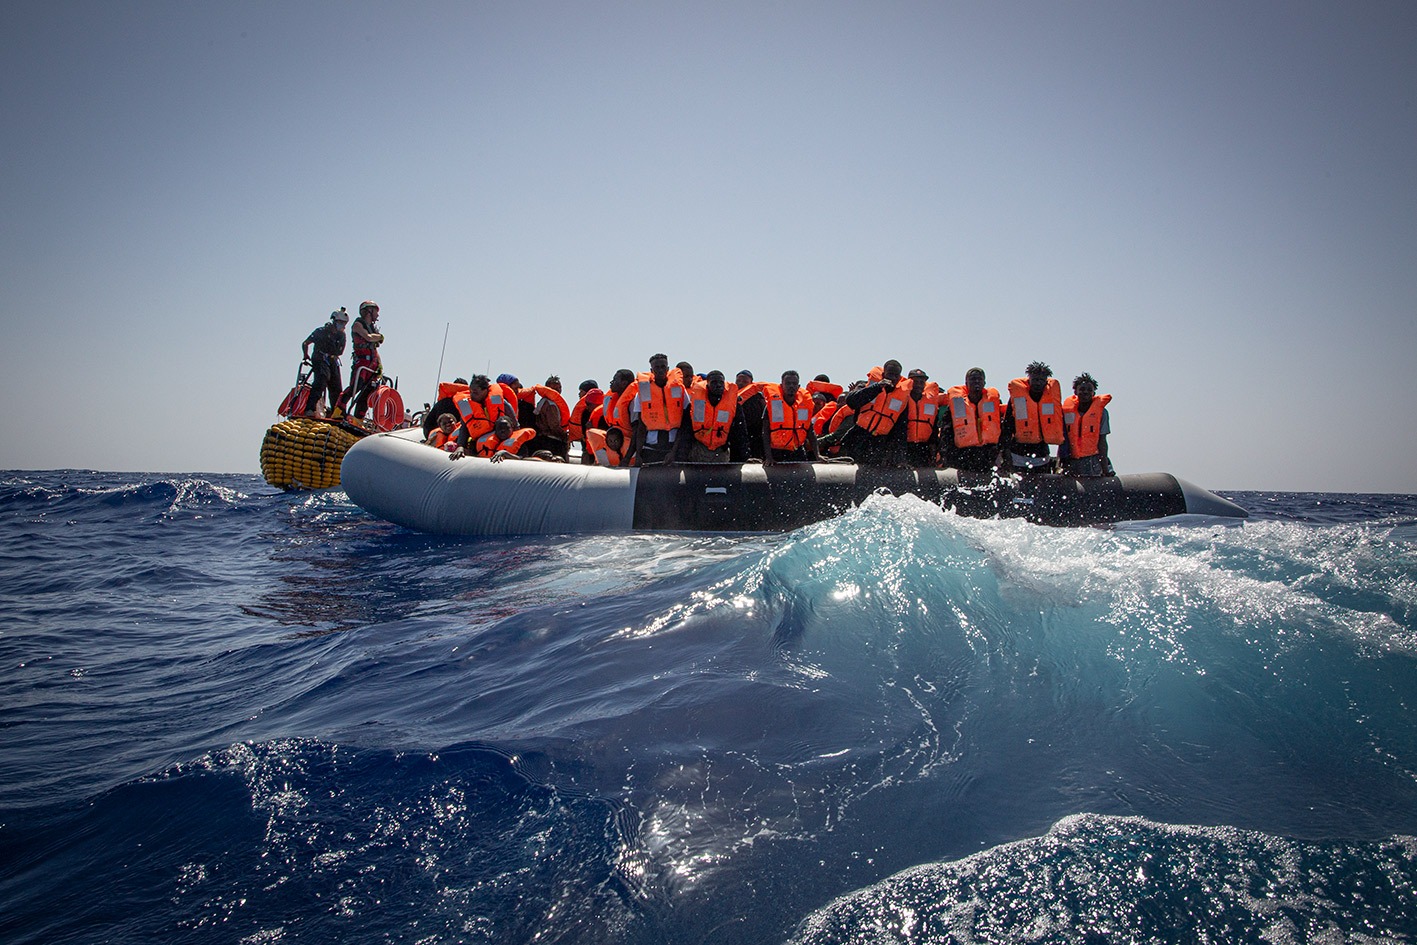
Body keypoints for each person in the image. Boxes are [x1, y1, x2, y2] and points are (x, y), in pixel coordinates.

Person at [840, 360, 910, 466]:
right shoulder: (866, 386)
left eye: (896, 375)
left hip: (880, 443)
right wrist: (877, 387)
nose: (893, 378)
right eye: (890, 374)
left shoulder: (902, 399)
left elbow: (901, 430)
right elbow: (851, 401)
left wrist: (901, 458)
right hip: (859, 437)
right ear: (883, 374)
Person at [1001, 360, 1064, 474]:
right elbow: (1007, 426)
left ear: (1046, 382)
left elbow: (1061, 428)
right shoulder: (1017, 399)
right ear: (1029, 380)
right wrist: (1005, 452)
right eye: (1035, 380)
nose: (1038, 383)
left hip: (1041, 454)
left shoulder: (1052, 401)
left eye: (1041, 380)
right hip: (1017, 454)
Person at [939, 368, 1004, 473]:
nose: (976, 382)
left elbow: (1001, 427)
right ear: (966, 383)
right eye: (973, 379)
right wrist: (946, 454)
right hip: (963, 454)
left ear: (984, 382)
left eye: (979, 379)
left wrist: (1002, 452)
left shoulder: (993, 402)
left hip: (988, 453)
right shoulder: (957, 404)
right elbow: (946, 431)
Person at [630, 353, 689, 465]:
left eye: (663, 367)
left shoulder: (679, 389)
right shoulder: (642, 393)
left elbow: (685, 423)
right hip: (651, 447)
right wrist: (638, 454)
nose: (660, 370)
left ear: (667, 369)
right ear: (651, 370)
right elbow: (641, 426)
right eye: (657, 367)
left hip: (673, 445)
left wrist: (674, 451)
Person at [677, 370, 749, 463]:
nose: (718, 385)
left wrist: (745, 457)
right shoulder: (695, 405)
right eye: (714, 382)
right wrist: (681, 456)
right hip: (699, 449)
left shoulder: (734, 406)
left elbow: (741, 432)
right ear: (707, 386)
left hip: (721, 451)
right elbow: (685, 430)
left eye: (721, 382)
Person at [761, 370, 822, 466]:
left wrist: (817, 455)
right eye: (788, 383)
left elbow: (810, 431)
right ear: (781, 386)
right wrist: (768, 457)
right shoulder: (774, 406)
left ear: (798, 387)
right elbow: (765, 432)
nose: (791, 386)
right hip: (776, 453)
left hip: (797, 451)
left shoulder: (803, 406)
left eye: (794, 384)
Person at [1060, 372, 1114, 477]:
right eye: (1082, 389)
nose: (1085, 392)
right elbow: (1062, 439)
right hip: (1071, 460)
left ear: (1094, 393)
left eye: (1089, 390)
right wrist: (1061, 462)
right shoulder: (1065, 411)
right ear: (1075, 391)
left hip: (1092, 461)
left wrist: (1105, 469)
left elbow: (1102, 442)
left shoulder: (1102, 413)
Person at [450, 374, 516, 454]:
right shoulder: (469, 406)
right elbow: (464, 428)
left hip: (500, 442)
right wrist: (460, 447)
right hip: (479, 445)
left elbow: (515, 425)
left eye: (475, 392)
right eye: (470, 392)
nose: (471, 395)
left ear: (485, 390)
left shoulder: (502, 403)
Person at [300, 308, 348, 417]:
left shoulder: (341, 336)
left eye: (344, 323)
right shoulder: (321, 332)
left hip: (332, 360)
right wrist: (306, 355)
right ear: (334, 321)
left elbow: (340, 352)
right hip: (320, 357)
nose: (342, 325)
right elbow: (306, 343)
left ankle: (337, 413)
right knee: (322, 379)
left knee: (336, 387)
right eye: (340, 323)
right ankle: (310, 408)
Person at [344, 300, 385, 419]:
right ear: (369, 311)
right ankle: (339, 410)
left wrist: (379, 366)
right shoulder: (357, 325)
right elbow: (368, 337)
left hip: (371, 364)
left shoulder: (372, 328)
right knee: (355, 387)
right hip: (361, 362)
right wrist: (380, 336)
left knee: (368, 391)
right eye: (376, 312)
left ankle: (359, 417)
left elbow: (374, 349)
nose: (377, 315)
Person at [902, 369, 941, 466]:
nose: (919, 385)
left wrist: (933, 448)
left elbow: (934, 427)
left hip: (924, 447)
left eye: (921, 382)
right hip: (905, 445)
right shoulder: (903, 400)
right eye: (916, 382)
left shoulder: (930, 402)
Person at [735, 370, 767, 461]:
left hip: (756, 434)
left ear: (751, 382)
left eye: (745, 381)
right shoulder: (730, 397)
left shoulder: (758, 397)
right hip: (739, 433)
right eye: (738, 381)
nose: (741, 383)